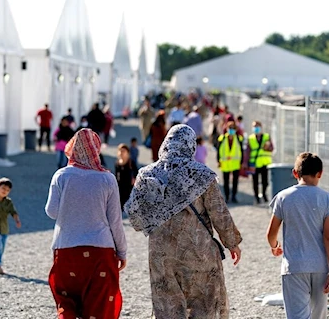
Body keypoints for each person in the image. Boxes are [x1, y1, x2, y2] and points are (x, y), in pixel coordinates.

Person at [125, 124, 242, 318]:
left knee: (168, 306)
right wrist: (232, 244)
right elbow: (219, 213)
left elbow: (135, 218)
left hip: (162, 254)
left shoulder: (146, 175)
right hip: (198, 251)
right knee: (204, 305)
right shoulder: (202, 175)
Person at [45, 129, 127, 319]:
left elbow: (51, 211)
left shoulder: (61, 176)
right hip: (101, 252)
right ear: (96, 150)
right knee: (98, 306)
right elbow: (115, 220)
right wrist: (122, 252)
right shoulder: (107, 178)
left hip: (66, 249)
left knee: (66, 303)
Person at [266, 152, 329, 319]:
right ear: (320, 173)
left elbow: (271, 233)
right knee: (318, 315)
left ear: (295, 173)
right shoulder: (328, 199)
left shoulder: (283, 197)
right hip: (320, 266)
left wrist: (274, 246)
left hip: (293, 267)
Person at [245, 121, 274, 204]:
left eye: (257, 127)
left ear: (261, 127)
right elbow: (247, 151)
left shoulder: (266, 137)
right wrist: (245, 163)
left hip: (265, 163)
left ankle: (264, 194)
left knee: (265, 181)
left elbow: (272, 148)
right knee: (255, 181)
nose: (256, 128)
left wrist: (268, 147)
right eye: (254, 127)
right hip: (254, 163)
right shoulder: (250, 138)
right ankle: (256, 197)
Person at [216, 121, 244, 203]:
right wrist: (218, 160)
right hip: (225, 163)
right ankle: (227, 196)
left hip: (235, 163)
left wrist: (241, 162)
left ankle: (234, 196)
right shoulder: (222, 138)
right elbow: (218, 150)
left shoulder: (239, 139)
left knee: (235, 181)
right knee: (226, 181)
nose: (231, 130)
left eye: (233, 128)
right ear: (227, 129)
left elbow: (242, 151)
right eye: (230, 128)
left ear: (235, 129)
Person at [114, 144, 138, 210]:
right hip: (120, 186)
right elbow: (116, 174)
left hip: (129, 186)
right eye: (120, 151)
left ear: (127, 152)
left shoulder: (130, 162)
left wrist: (134, 179)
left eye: (123, 151)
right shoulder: (117, 163)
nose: (121, 153)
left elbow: (136, 172)